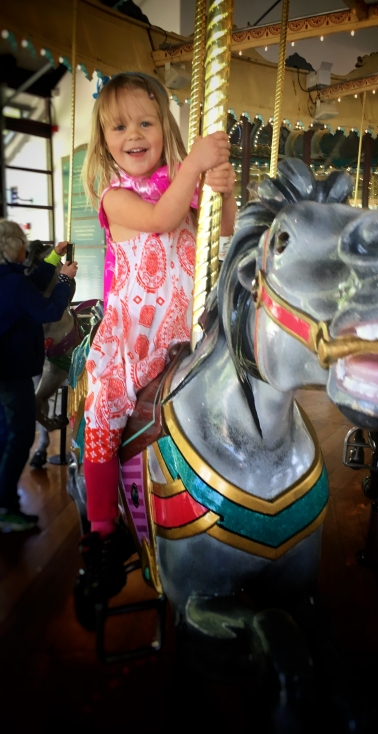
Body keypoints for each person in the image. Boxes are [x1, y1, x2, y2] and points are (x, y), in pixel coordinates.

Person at [77, 72, 236, 603]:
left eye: (146, 122)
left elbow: (223, 232)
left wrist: (223, 192)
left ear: (164, 128)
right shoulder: (116, 199)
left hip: (188, 342)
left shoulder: (183, 192)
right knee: (100, 417)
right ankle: (101, 534)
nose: (134, 134)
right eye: (119, 126)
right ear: (104, 142)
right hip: (133, 345)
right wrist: (193, 167)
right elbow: (164, 217)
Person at [0, 221, 78, 531]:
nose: (24, 248)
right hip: (12, 369)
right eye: (22, 243)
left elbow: (32, 283)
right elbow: (47, 310)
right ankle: (6, 507)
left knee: (6, 433)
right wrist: (64, 280)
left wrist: (54, 259)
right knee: (19, 436)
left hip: (8, 368)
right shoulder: (14, 285)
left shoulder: (11, 278)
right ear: (12, 247)